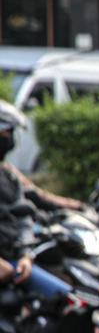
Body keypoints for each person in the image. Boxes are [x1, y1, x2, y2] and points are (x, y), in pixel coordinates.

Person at [0, 100, 76, 299]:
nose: (7, 138)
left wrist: (26, 255)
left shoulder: (9, 176)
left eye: (9, 133)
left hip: (14, 259)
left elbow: (24, 214)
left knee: (64, 297)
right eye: (4, 133)